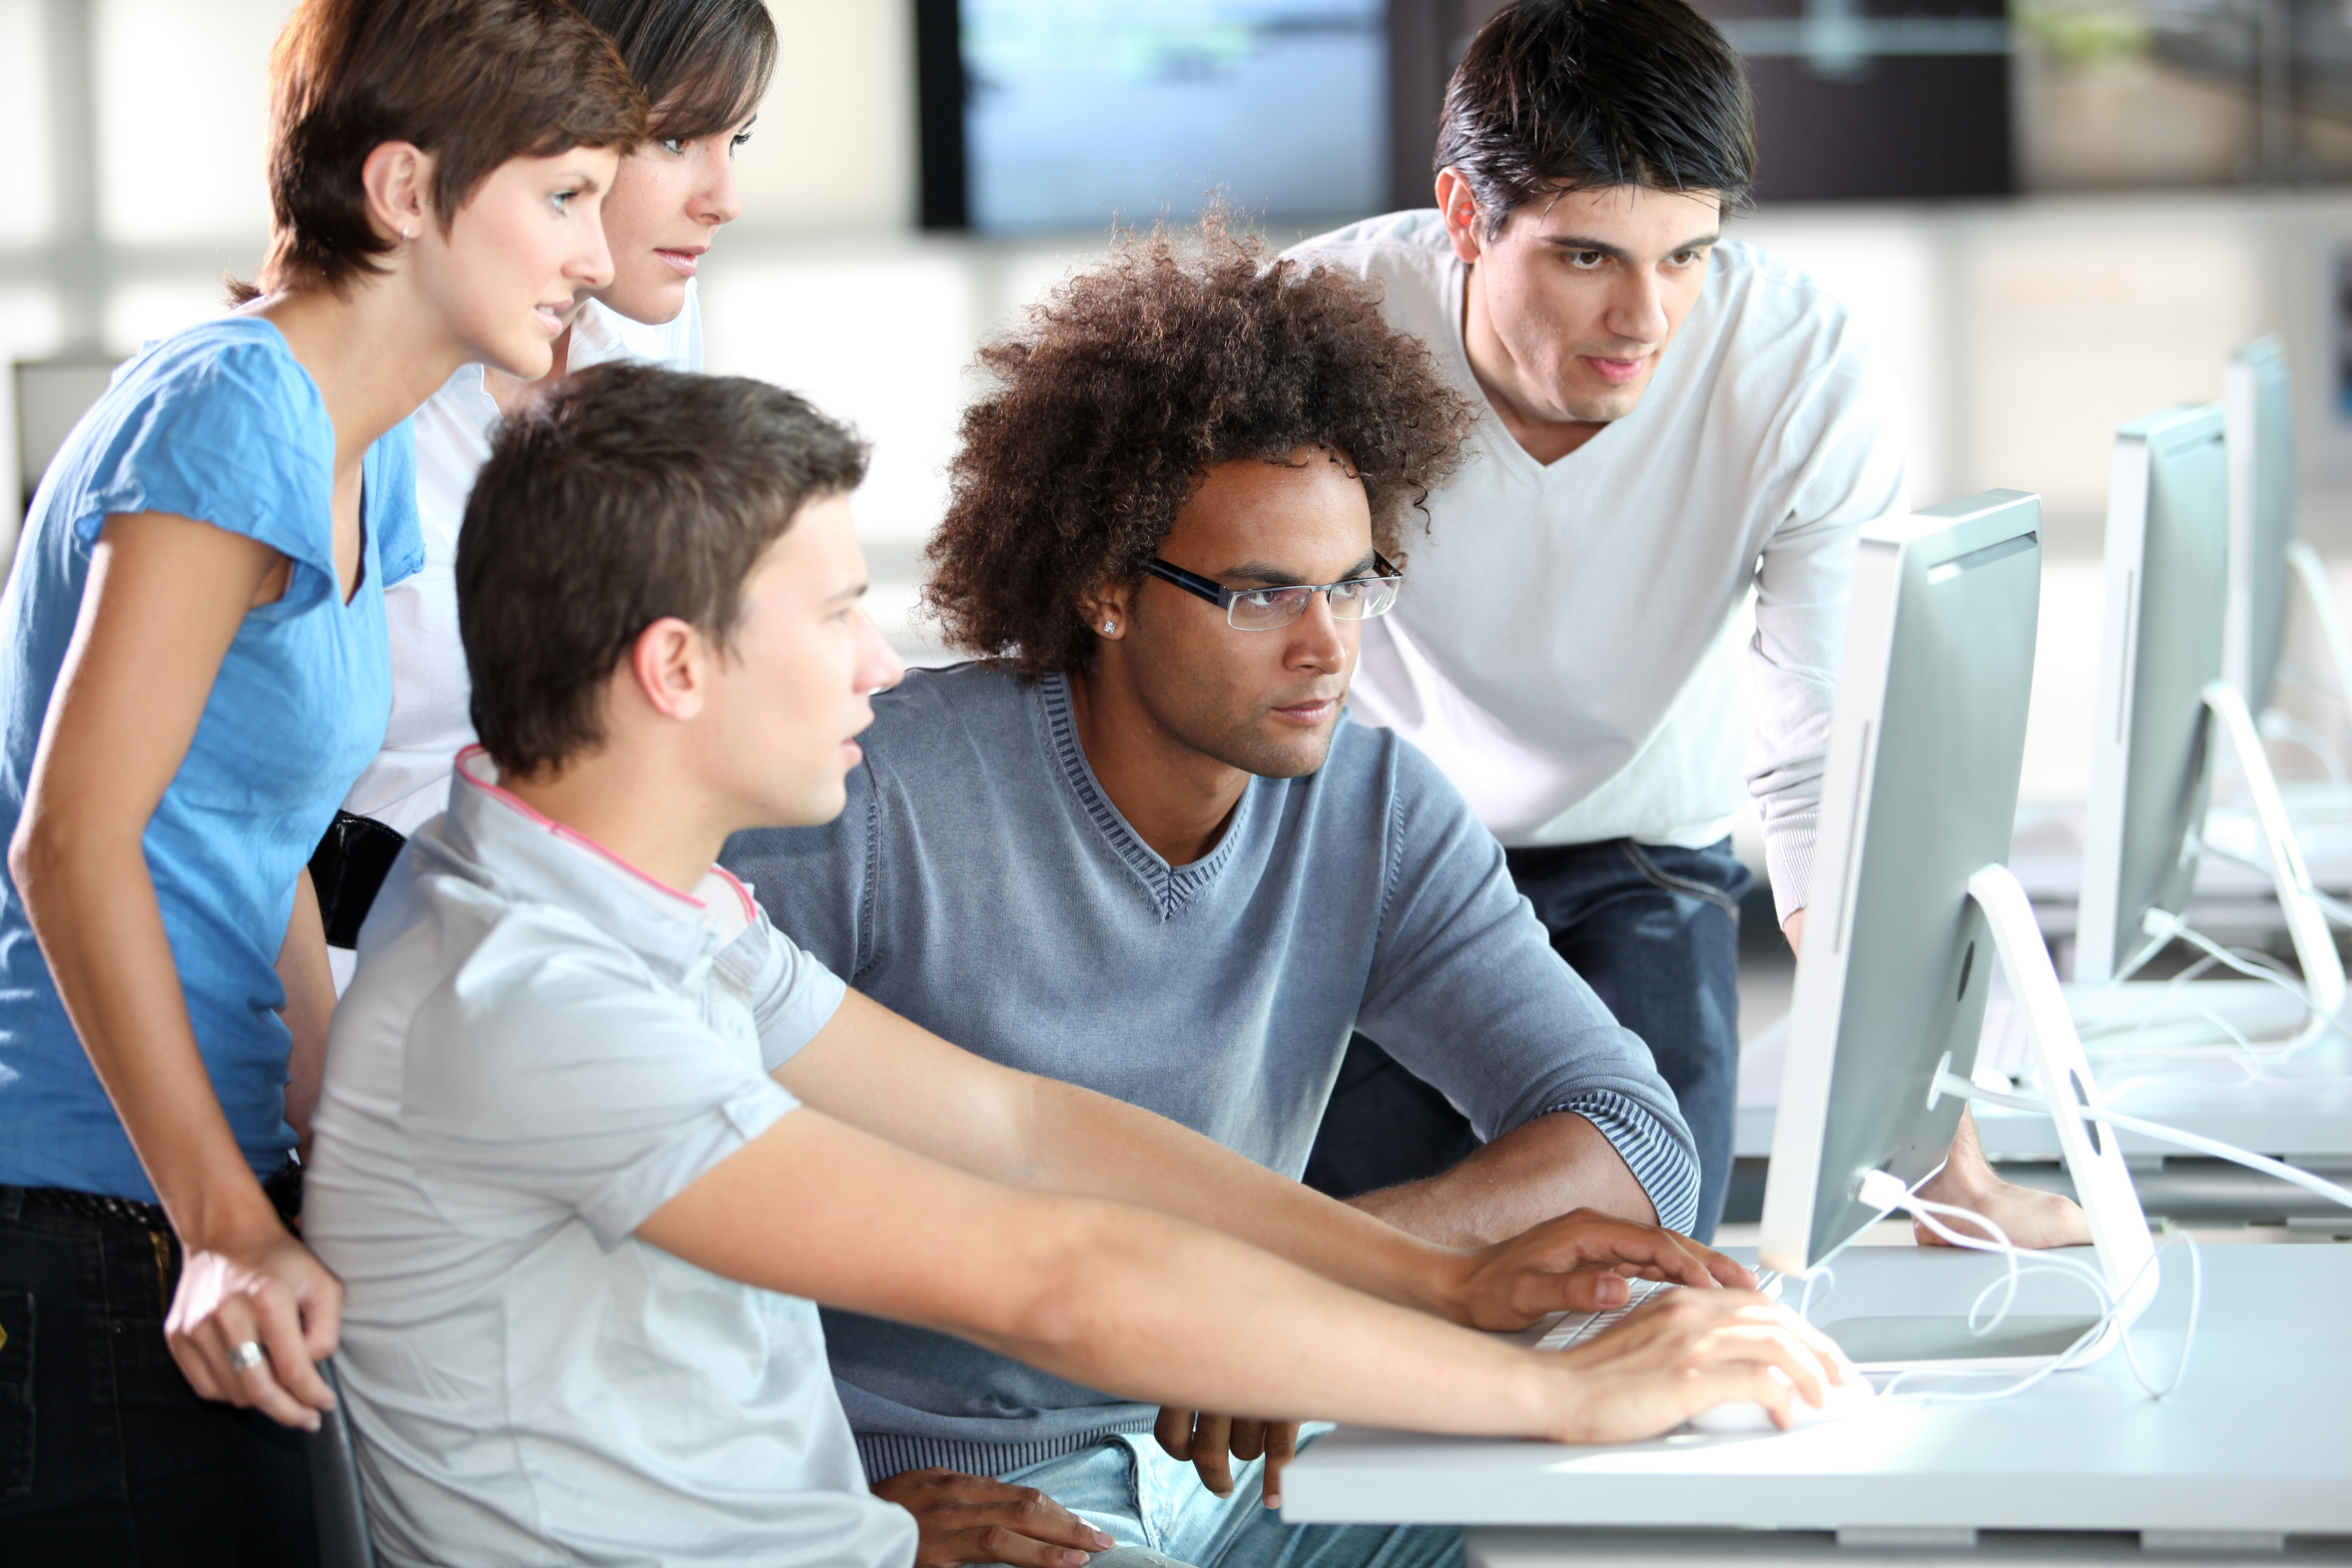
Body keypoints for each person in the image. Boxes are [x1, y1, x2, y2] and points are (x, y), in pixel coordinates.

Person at [304, 361, 1854, 1568]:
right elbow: (1060, 1271)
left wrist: (1438, 1276)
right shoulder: (531, 1000)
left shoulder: (655, 910)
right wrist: (1562, 1390)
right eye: (839, 612)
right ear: (677, 665)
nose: (881, 661)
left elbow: (1030, 1131)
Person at [720, 223, 1719, 1568]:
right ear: (1105, 585)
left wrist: (1291, 1290)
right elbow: (666, 1195)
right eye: (1258, 594)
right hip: (972, 1490)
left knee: (1675, 1518)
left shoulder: (1372, 807)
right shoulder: (866, 799)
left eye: (1353, 582)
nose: (1327, 647)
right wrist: (826, 1513)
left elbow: (1632, 1134)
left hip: (1254, 1450)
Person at [0, 2, 645, 1559]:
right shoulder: (234, 405)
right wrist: (224, 1221)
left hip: (204, 1178)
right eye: (564, 198)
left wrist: (343, 1140)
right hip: (88, 1208)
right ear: (407, 192)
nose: (601, 257)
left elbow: (263, 834)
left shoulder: (359, 457)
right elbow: (73, 840)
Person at [1286, 0, 2087, 1248]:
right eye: (1588, 256)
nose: (1646, 320)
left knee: (1649, 1232)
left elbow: (1826, 762)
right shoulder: (1316, 328)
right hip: (1377, 847)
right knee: (1344, 1215)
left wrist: (1935, 1148)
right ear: (1463, 218)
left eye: (1686, 256)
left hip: (1638, 850)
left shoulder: (1792, 365)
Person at [317, 0, 774, 975]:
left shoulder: (645, 346)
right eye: (677, 136)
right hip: (375, 955)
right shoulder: (339, 408)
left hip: (586, 939)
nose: (724, 194)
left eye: (736, 139)